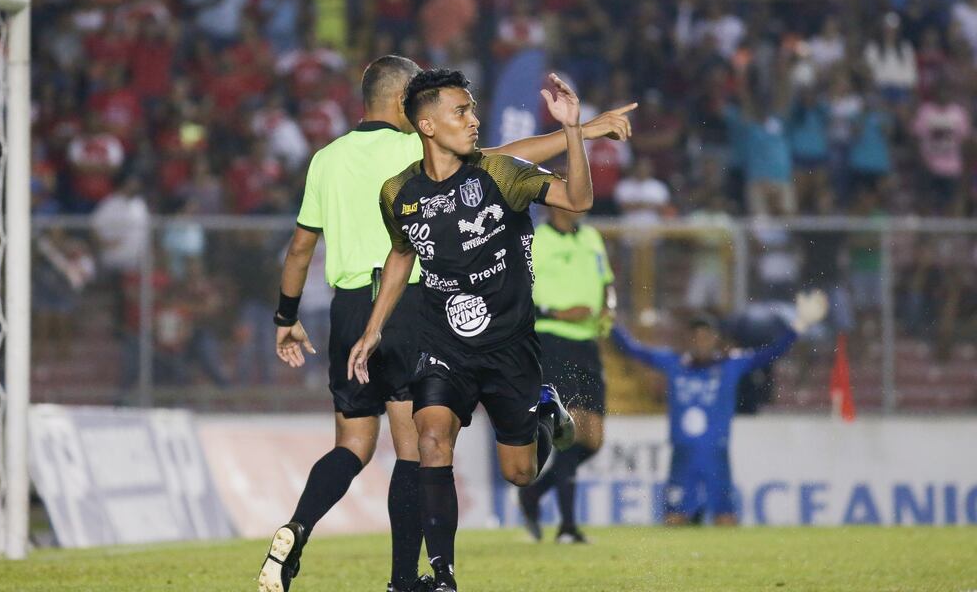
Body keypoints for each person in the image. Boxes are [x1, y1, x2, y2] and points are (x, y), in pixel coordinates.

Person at [258, 58, 634, 592]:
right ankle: (425, 579)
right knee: (423, 441)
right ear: (414, 114)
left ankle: (302, 528)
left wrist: (286, 317)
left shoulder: (331, 158)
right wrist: (375, 328)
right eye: (461, 110)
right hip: (424, 320)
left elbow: (301, 246)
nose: (473, 119)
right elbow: (409, 247)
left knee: (378, 448)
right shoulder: (405, 171)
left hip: (414, 322)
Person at [610, 291, 827, 525]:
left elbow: (769, 354)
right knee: (674, 519)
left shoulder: (730, 365)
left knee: (725, 519)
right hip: (683, 458)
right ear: (688, 340)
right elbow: (632, 349)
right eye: (696, 336)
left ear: (716, 339)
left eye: (706, 335)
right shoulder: (673, 363)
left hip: (716, 456)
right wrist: (609, 322)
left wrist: (799, 326)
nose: (701, 340)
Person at [517, 207, 615, 544]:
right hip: (551, 340)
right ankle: (568, 527)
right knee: (570, 431)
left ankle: (534, 494)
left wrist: (608, 307)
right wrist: (557, 311)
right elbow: (515, 294)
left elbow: (608, 283)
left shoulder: (591, 237)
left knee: (594, 439)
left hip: (587, 343)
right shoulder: (535, 240)